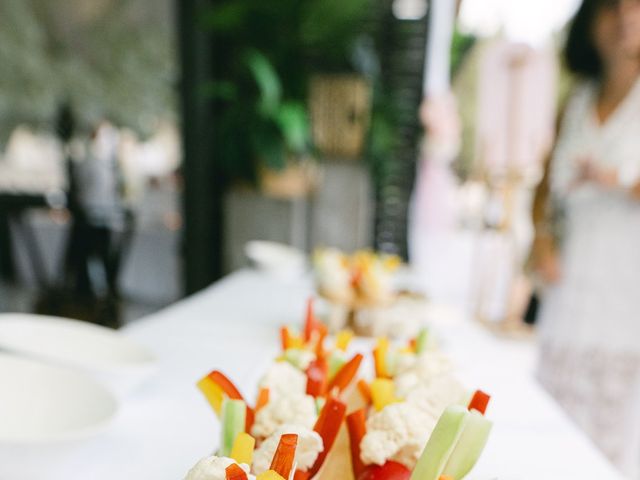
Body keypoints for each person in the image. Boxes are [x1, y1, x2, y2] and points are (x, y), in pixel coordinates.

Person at [532, 0, 640, 476]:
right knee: (549, 423)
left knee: (606, 440)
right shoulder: (575, 100)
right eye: (611, 9)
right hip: (568, 288)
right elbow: (543, 191)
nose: (623, 20)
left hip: (625, 292)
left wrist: (617, 180)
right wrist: (542, 243)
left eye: (635, 8)